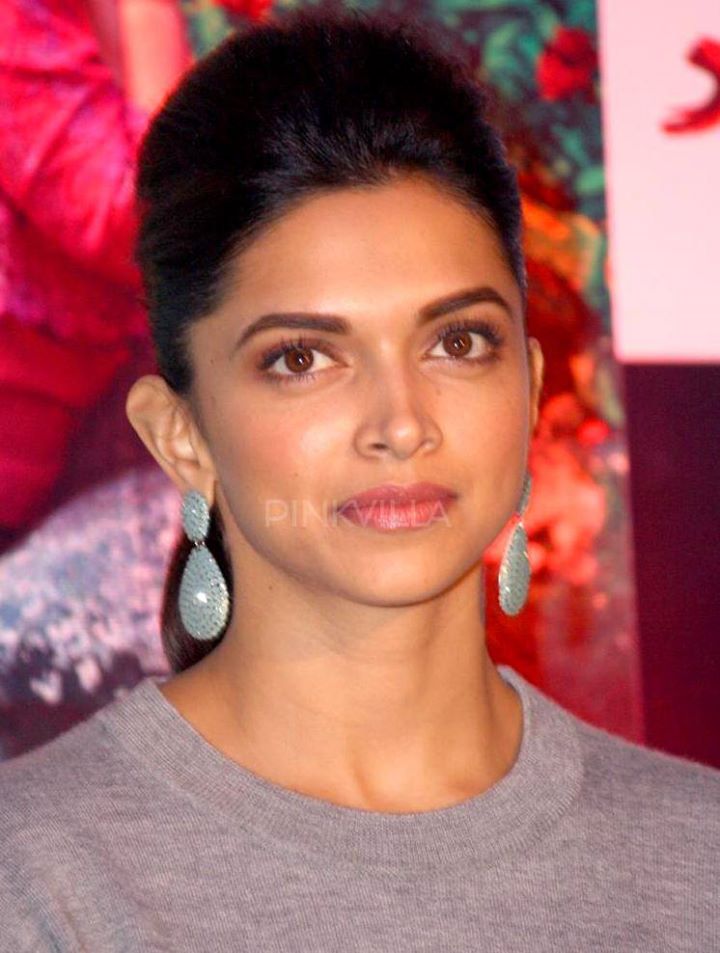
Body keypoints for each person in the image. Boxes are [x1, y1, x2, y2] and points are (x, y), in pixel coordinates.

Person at [0, 8, 717, 950]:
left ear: (530, 388)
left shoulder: (698, 860)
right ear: (181, 437)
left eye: (458, 341)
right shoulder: (35, 878)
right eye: (302, 358)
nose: (402, 422)